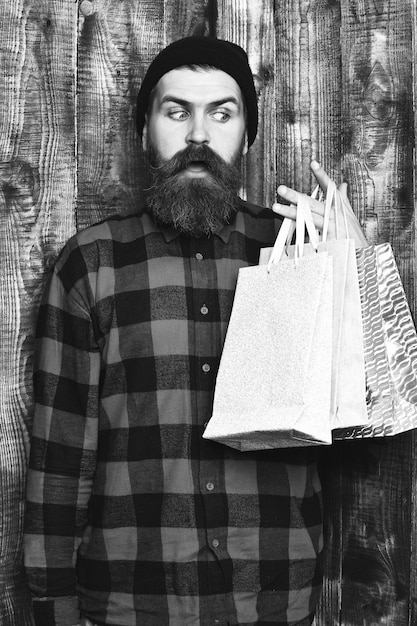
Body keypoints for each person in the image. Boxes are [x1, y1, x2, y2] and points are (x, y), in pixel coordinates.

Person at [24, 36, 366, 626]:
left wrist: (354, 276)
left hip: (273, 600)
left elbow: (367, 428)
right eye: (176, 111)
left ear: (248, 136)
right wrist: (51, 608)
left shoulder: (306, 255)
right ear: (144, 132)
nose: (198, 135)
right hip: (131, 604)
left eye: (222, 113)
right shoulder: (92, 265)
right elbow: (60, 462)